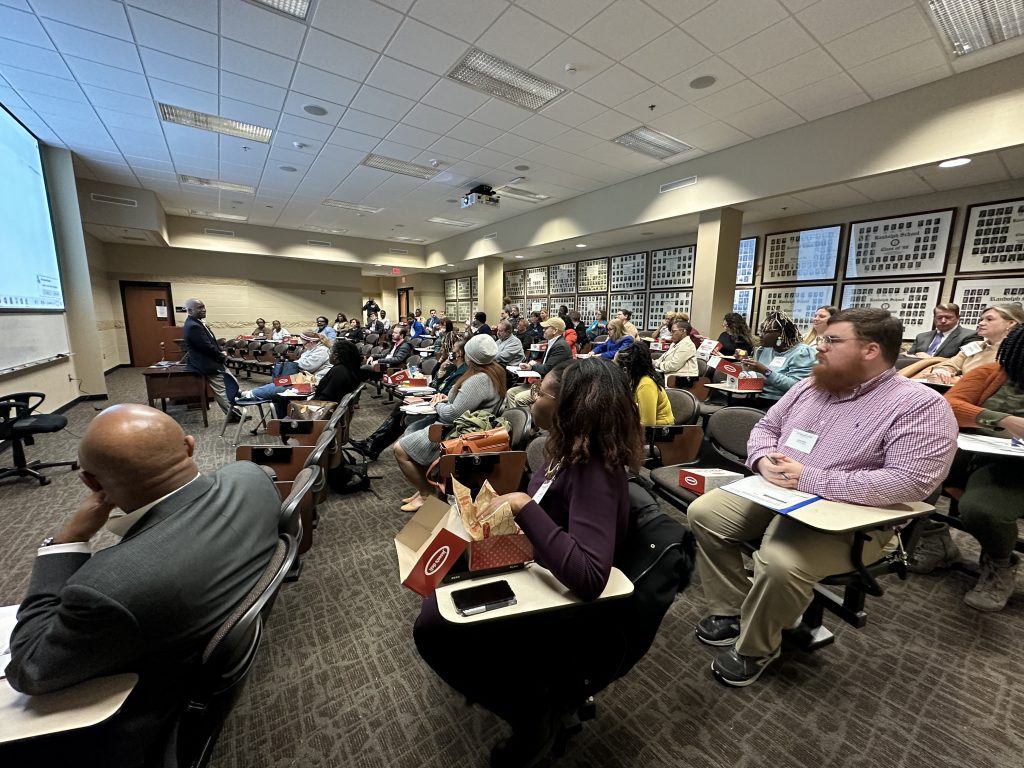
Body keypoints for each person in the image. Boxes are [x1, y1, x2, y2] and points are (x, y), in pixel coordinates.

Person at [688, 308, 958, 686]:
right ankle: (732, 609)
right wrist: (763, 459)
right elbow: (766, 426)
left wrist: (809, 478)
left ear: (870, 350)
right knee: (706, 513)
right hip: (778, 491)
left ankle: (757, 646)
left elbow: (909, 483)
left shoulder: (921, 406)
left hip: (853, 514)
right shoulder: (811, 386)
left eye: (833, 340)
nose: (820, 347)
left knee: (781, 561)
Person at [4, 404, 280, 768]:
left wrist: (65, 543)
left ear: (90, 482)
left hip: (139, 720)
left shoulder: (108, 588)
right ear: (189, 446)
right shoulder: (251, 476)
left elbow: (30, 669)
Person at [414, 358, 644, 767]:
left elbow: (590, 577)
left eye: (540, 393)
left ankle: (532, 717)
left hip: (564, 602)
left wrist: (520, 505)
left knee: (434, 626)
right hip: (535, 565)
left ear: (570, 405)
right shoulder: (565, 448)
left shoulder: (594, 470)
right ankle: (521, 691)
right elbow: (545, 513)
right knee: (437, 575)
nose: (531, 398)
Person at [913, 325, 1024, 611]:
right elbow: (950, 405)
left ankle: (1000, 564)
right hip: (973, 454)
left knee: (982, 510)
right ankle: (933, 538)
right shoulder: (993, 373)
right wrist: (1001, 419)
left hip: (1014, 469)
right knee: (906, 476)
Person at [393, 334, 505, 512]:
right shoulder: (493, 371)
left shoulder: (478, 379)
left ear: (470, 356)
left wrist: (439, 404)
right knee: (411, 430)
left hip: (456, 432)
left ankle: (425, 493)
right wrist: (446, 399)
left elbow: (452, 415)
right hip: (462, 428)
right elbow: (464, 404)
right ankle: (426, 488)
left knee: (399, 450)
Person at [352, 340, 469, 461]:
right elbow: (435, 385)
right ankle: (372, 443)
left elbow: (444, 394)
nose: (450, 352)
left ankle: (372, 445)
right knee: (402, 406)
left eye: (452, 349)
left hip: (440, 408)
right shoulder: (453, 368)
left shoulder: (461, 372)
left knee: (402, 409)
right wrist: (440, 370)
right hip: (434, 400)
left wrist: (431, 395)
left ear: (459, 353)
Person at [910, 303, 1023, 383]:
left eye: (989, 319)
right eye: (981, 319)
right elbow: (951, 364)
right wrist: (942, 371)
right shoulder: (976, 346)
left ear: (1011, 323)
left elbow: (995, 382)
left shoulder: (1016, 352)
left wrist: (955, 380)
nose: (981, 323)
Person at [271, 338, 363, 418]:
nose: (329, 355)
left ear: (336, 356)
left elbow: (327, 397)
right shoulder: (346, 368)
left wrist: (309, 400)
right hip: (328, 405)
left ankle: (286, 426)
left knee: (279, 398)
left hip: (322, 409)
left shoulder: (339, 371)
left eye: (330, 353)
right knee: (282, 397)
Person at [742, 311, 816, 407]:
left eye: (765, 332)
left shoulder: (802, 353)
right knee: (727, 413)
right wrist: (746, 364)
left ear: (781, 334)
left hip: (785, 403)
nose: (760, 335)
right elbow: (755, 378)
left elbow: (796, 387)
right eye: (760, 331)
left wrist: (766, 371)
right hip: (760, 398)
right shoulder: (765, 349)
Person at [181, 298, 238, 420]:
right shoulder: (193, 326)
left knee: (232, 384)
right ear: (190, 310)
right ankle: (232, 416)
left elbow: (209, 342)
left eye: (204, 306)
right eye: (200, 307)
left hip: (214, 361)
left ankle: (236, 412)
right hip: (209, 364)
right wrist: (221, 355)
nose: (204, 309)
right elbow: (206, 347)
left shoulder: (197, 322)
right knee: (223, 390)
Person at [244, 330, 331, 401]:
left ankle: (251, 394)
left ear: (311, 342)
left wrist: (295, 363)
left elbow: (307, 366)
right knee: (279, 382)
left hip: (313, 379)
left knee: (281, 386)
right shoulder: (312, 349)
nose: (303, 346)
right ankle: (252, 393)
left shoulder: (322, 351)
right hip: (305, 376)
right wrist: (296, 363)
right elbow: (301, 362)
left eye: (304, 344)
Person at [506, 317, 572, 408]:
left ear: (555, 330)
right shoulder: (553, 343)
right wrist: (532, 365)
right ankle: (518, 419)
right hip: (544, 382)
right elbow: (546, 366)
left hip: (553, 387)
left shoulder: (561, 346)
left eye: (546, 328)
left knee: (519, 398)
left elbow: (547, 369)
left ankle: (530, 421)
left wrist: (532, 366)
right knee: (511, 392)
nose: (543, 330)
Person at [617, 343, 673, 426]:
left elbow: (648, 424)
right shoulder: (635, 380)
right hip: (641, 425)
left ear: (626, 369)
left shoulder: (646, 385)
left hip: (659, 432)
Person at [907, 303, 979, 358]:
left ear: (958, 318)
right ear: (934, 318)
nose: (943, 321)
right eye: (939, 317)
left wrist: (930, 360)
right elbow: (909, 356)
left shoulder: (971, 336)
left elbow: (965, 361)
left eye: (948, 317)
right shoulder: (921, 336)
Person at [654, 320, 698, 385]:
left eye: (673, 331)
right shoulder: (674, 344)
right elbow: (662, 359)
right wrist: (652, 362)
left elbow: (674, 365)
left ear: (683, 331)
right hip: (670, 377)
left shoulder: (687, 345)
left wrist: (657, 364)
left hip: (681, 381)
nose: (671, 333)